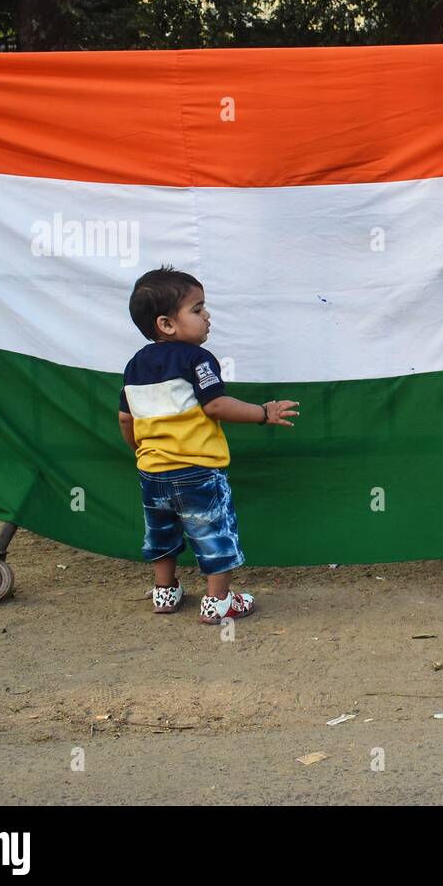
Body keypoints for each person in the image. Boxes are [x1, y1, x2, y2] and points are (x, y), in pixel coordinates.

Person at [118, 266, 298, 624]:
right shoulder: (197, 359)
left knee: (161, 531)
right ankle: (218, 602)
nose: (207, 316)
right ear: (167, 324)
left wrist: (140, 449)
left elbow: (126, 418)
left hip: (152, 471)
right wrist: (263, 412)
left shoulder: (135, 365)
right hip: (195, 471)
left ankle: (165, 591)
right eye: (198, 310)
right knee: (213, 530)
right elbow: (215, 404)